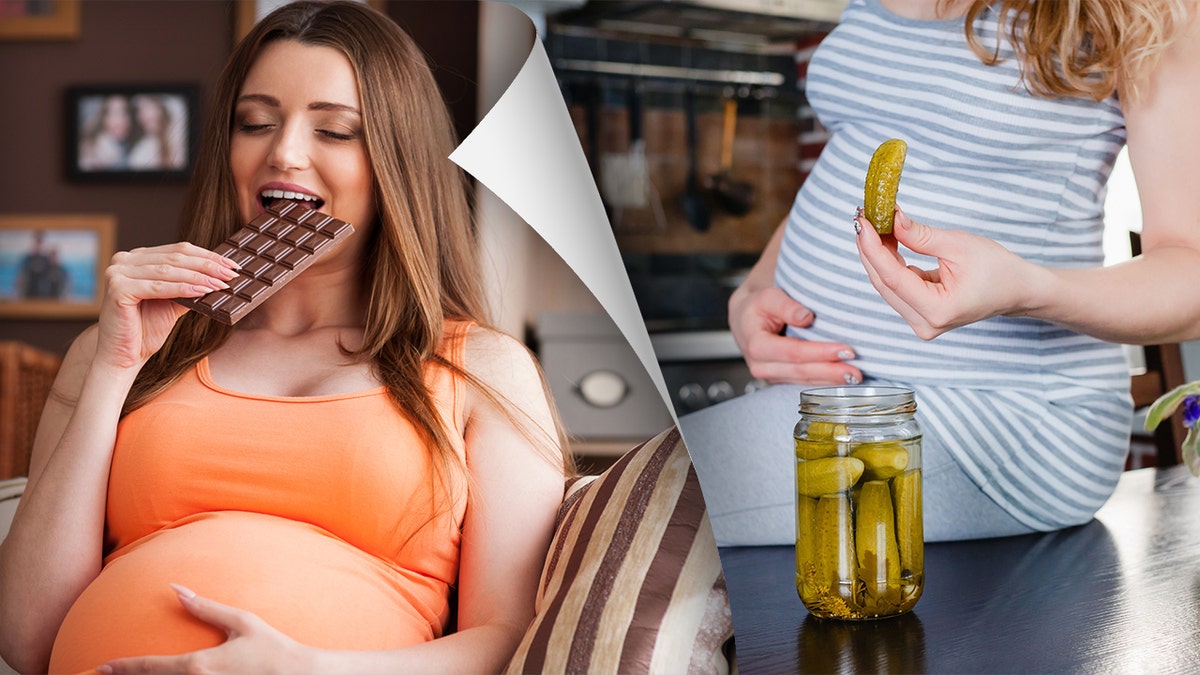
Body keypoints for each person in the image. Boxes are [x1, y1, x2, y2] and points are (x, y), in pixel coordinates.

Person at [0, 2, 570, 673]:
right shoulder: (121, 353)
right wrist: (114, 365)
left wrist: (314, 667)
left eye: (336, 131)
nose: (285, 152)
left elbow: (509, 639)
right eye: (256, 122)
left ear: (398, 162)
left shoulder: (484, 368)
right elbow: (27, 636)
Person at [680, 0, 1200, 546]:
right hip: (845, 400)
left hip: (1002, 416)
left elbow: (1190, 271)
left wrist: (1026, 289)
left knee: (629, 507)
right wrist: (759, 285)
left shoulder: (1145, 9)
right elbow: (861, 149)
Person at [127, 95, 183, 171]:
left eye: (146, 107)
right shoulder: (142, 151)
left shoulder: (181, 134)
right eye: (139, 110)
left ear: (161, 107)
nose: (141, 117)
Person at [78, 95, 132, 171]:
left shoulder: (127, 146)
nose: (121, 120)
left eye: (125, 113)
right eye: (114, 113)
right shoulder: (92, 151)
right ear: (103, 118)